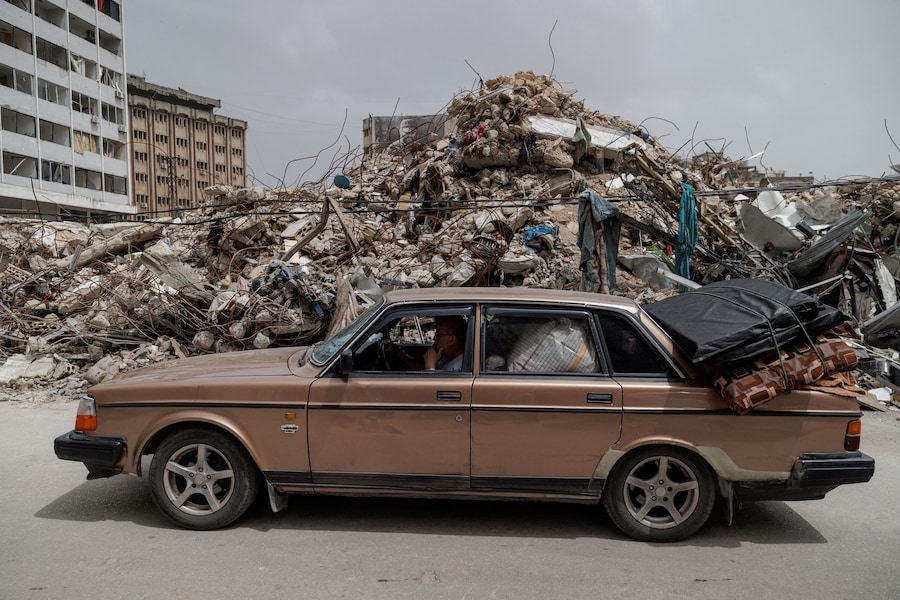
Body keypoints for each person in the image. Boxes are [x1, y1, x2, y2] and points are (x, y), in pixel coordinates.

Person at [384, 315, 466, 372]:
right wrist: (398, 354)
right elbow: (421, 369)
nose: (434, 338)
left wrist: (430, 367)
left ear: (452, 339)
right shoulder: (447, 357)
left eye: (438, 335)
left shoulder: (460, 368)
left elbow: (434, 392)